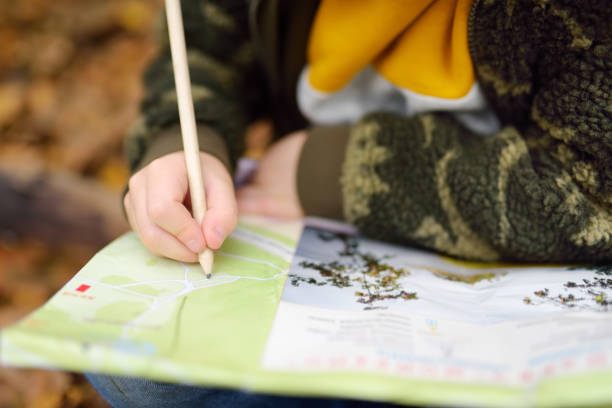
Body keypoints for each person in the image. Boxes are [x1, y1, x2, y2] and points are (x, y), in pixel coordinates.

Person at [89, 0, 611, 406]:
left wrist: (342, 170)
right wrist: (185, 143)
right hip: (322, 257)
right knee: (139, 369)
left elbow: (590, 194)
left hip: (529, 293)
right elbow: (204, 48)